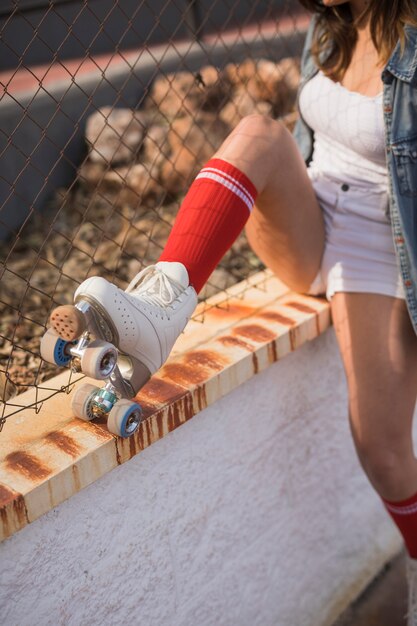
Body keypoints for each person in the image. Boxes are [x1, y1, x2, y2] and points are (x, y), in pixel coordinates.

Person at [50, 0, 417, 621]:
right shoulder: (331, 27)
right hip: (309, 216)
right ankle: (159, 311)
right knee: (259, 133)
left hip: (382, 243)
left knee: (381, 449)